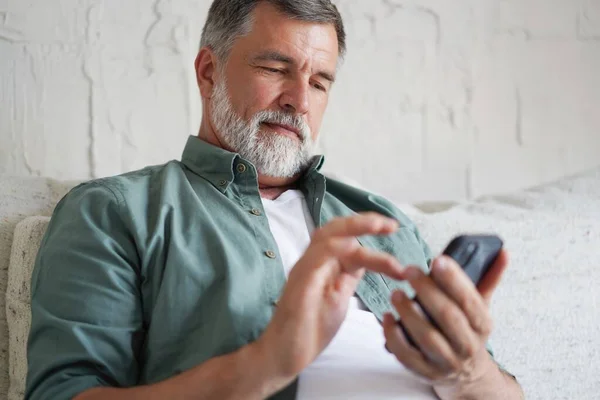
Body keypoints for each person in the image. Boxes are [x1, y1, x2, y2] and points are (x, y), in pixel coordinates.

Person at [25, 1, 524, 399]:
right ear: (207, 72)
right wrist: (267, 363)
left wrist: (468, 371)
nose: (299, 101)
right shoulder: (115, 212)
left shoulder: (381, 220)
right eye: (275, 67)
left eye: (320, 82)